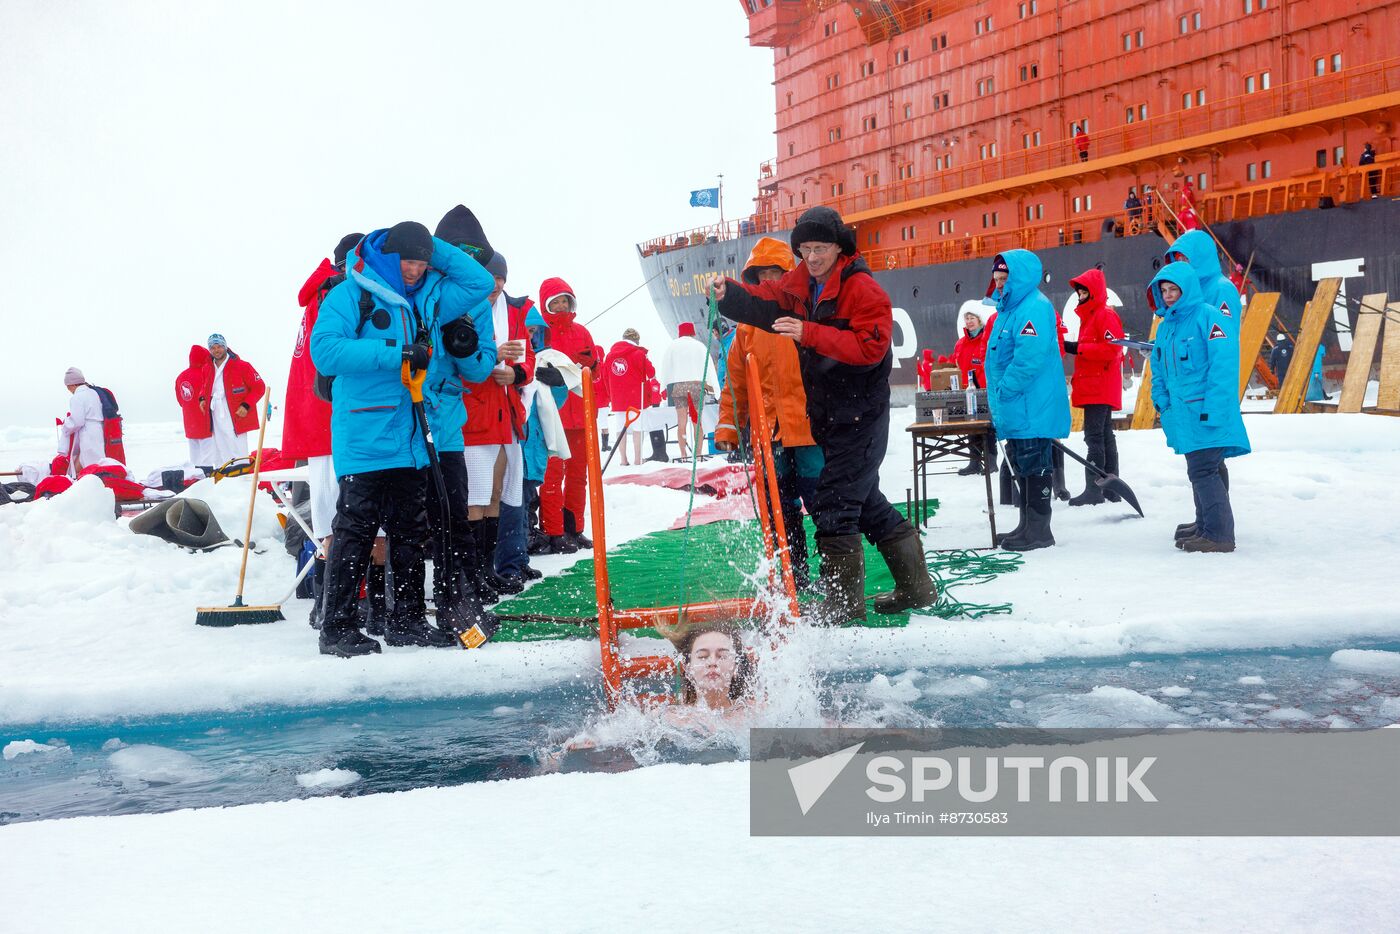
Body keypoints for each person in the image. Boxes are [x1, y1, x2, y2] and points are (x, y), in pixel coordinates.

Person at [710, 205, 936, 623]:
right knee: (866, 504)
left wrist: (809, 333)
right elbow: (765, 306)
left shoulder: (863, 289)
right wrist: (732, 296)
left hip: (860, 417)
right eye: (806, 248)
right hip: (826, 418)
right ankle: (917, 589)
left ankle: (843, 606)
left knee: (832, 503)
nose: (812, 257)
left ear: (839, 248)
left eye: (821, 248)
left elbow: (870, 350)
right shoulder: (800, 286)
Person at [310, 220, 495, 657]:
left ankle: (406, 620)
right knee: (355, 531)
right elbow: (327, 351)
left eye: (421, 261)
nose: (414, 269)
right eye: (407, 260)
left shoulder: (430, 296)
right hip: (365, 434)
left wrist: (434, 247)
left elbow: (479, 280)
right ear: (388, 257)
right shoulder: (350, 294)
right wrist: (396, 353)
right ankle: (336, 628)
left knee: (410, 531)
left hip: (412, 432)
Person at [715, 236, 823, 590]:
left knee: (823, 503)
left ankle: (837, 576)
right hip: (770, 435)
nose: (767, 282)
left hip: (809, 431)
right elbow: (735, 387)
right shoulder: (745, 331)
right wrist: (729, 429)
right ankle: (794, 577)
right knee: (780, 510)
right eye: (761, 276)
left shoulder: (806, 317)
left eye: (775, 274)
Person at [1147, 261, 1250, 553]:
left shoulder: (1208, 318)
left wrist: (1214, 410)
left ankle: (1219, 535)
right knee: (1204, 468)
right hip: (1183, 415)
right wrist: (1163, 406)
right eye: (1163, 290)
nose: (1167, 295)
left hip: (1204, 414)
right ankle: (1206, 524)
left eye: (1173, 289)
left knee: (1203, 470)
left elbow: (1223, 367)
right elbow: (1160, 371)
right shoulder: (1167, 327)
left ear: (1187, 289)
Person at [983, 251, 1071, 550]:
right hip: (1020, 405)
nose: (998, 285)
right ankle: (1026, 525)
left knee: (1035, 465)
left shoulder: (1032, 307)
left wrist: (1004, 389)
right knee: (1024, 464)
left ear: (1017, 278)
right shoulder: (1011, 309)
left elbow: (1028, 358)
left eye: (1003, 279)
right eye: (995, 279)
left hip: (1031, 404)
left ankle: (1040, 531)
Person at [284, 233, 362, 554]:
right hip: (332, 417)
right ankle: (344, 595)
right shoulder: (337, 294)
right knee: (342, 515)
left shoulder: (321, 292)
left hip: (316, 417)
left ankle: (330, 594)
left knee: (331, 516)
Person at [537, 276, 598, 553]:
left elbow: (594, 373)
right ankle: (553, 531)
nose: (561, 306)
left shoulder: (583, 333)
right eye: (556, 302)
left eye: (565, 300)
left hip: (581, 416)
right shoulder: (540, 333)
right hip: (554, 417)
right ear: (546, 305)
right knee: (552, 475)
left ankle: (574, 528)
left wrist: (593, 365)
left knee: (578, 476)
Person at [1063, 269, 1125, 506]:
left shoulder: (1103, 315)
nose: (1080, 295)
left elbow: (1112, 349)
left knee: (1094, 437)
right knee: (1105, 435)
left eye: (1084, 291)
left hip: (1100, 386)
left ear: (1095, 292)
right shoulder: (1091, 316)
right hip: (1096, 385)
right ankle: (1111, 487)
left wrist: (1077, 348)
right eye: (1079, 291)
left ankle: (1094, 489)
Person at [200, 334, 265, 466]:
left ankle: (240, 472)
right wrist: (201, 398)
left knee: (236, 444)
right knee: (219, 445)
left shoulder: (242, 366)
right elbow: (204, 386)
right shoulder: (207, 368)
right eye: (212, 347)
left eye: (219, 346)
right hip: (215, 411)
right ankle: (223, 473)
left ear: (225, 347)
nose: (216, 350)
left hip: (235, 411)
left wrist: (246, 405)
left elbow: (259, 387)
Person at [659, 322, 717, 462]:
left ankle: (683, 455)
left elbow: (665, 366)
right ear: (692, 332)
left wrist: (663, 387)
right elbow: (708, 365)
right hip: (696, 387)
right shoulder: (699, 346)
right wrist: (714, 387)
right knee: (697, 423)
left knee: (681, 422)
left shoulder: (673, 346)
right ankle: (697, 455)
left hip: (679, 387)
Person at [950, 306, 998, 476]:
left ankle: (991, 462)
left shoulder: (987, 339)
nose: (969, 322)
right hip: (968, 389)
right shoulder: (961, 343)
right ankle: (974, 462)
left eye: (972, 318)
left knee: (988, 426)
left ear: (980, 320)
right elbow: (956, 365)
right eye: (967, 318)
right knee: (971, 425)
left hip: (985, 388)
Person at [1164, 230, 1241, 334]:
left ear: (1200, 256)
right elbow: (1184, 334)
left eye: (1185, 258)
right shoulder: (1190, 291)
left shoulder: (1221, 289)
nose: (1181, 264)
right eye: (1179, 259)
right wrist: (1160, 345)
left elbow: (1223, 338)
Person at [601, 327, 654, 467]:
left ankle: (623, 460)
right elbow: (651, 372)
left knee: (620, 428)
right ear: (636, 340)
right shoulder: (639, 354)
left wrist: (611, 394)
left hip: (618, 397)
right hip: (636, 397)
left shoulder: (610, 355)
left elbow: (605, 377)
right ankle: (638, 459)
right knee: (638, 428)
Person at [54, 367, 106, 477]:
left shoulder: (77, 397)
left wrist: (65, 427)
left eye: (68, 387)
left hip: (88, 433)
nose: (69, 390)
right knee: (96, 461)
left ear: (72, 384)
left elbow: (77, 421)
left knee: (90, 465)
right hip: (99, 430)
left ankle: (88, 487)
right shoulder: (94, 393)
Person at [175, 345, 213, 466]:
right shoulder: (206, 374)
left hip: (190, 423)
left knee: (195, 457)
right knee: (208, 457)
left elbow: (181, 401)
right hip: (205, 422)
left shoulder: (180, 377)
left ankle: (196, 477)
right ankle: (207, 479)